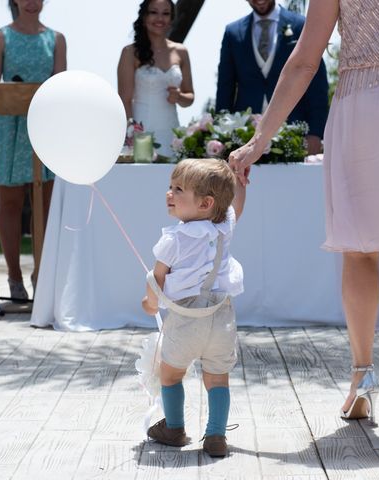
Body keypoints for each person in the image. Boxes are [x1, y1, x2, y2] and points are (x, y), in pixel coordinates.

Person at [229, 0, 379, 446]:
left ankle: (363, 378)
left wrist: (259, 138)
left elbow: (305, 61)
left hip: (366, 102)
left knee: (360, 252)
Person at [142, 158, 246, 457]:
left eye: (178, 189)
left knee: (170, 374)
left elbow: (157, 278)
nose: (169, 194)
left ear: (205, 203)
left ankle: (174, 428)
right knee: (217, 378)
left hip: (187, 318)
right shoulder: (224, 227)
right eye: (170, 187)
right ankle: (215, 435)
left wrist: (150, 304)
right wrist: (238, 179)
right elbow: (236, 204)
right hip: (221, 316)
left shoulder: (173, 239)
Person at [0, 0, 66, 301]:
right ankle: (14, 277)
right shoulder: (0, 37)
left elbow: (60, 84)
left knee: (44, 205)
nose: (31, 2)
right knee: (10, 203)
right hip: (8, 128)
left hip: (45, 128)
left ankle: (42, 274)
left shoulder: (56, 39)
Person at [216, 0, 328, 155]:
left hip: (296, 131)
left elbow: (317, 85)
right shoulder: (232, 32)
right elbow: (224, 88)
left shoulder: (300, 25)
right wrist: (220, 134)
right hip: (243, 135)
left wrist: (316, 132)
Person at [117, 0, 195, 158]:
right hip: (142, 130)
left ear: (172, 19)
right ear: (144, 17)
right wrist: (132, 134)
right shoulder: (130, 52)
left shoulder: (181, 52)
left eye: (166, 13)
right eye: (154, 12)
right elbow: (124, 99)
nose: (160, 18)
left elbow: (190, 97)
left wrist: (179, 96)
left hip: (172, 129)